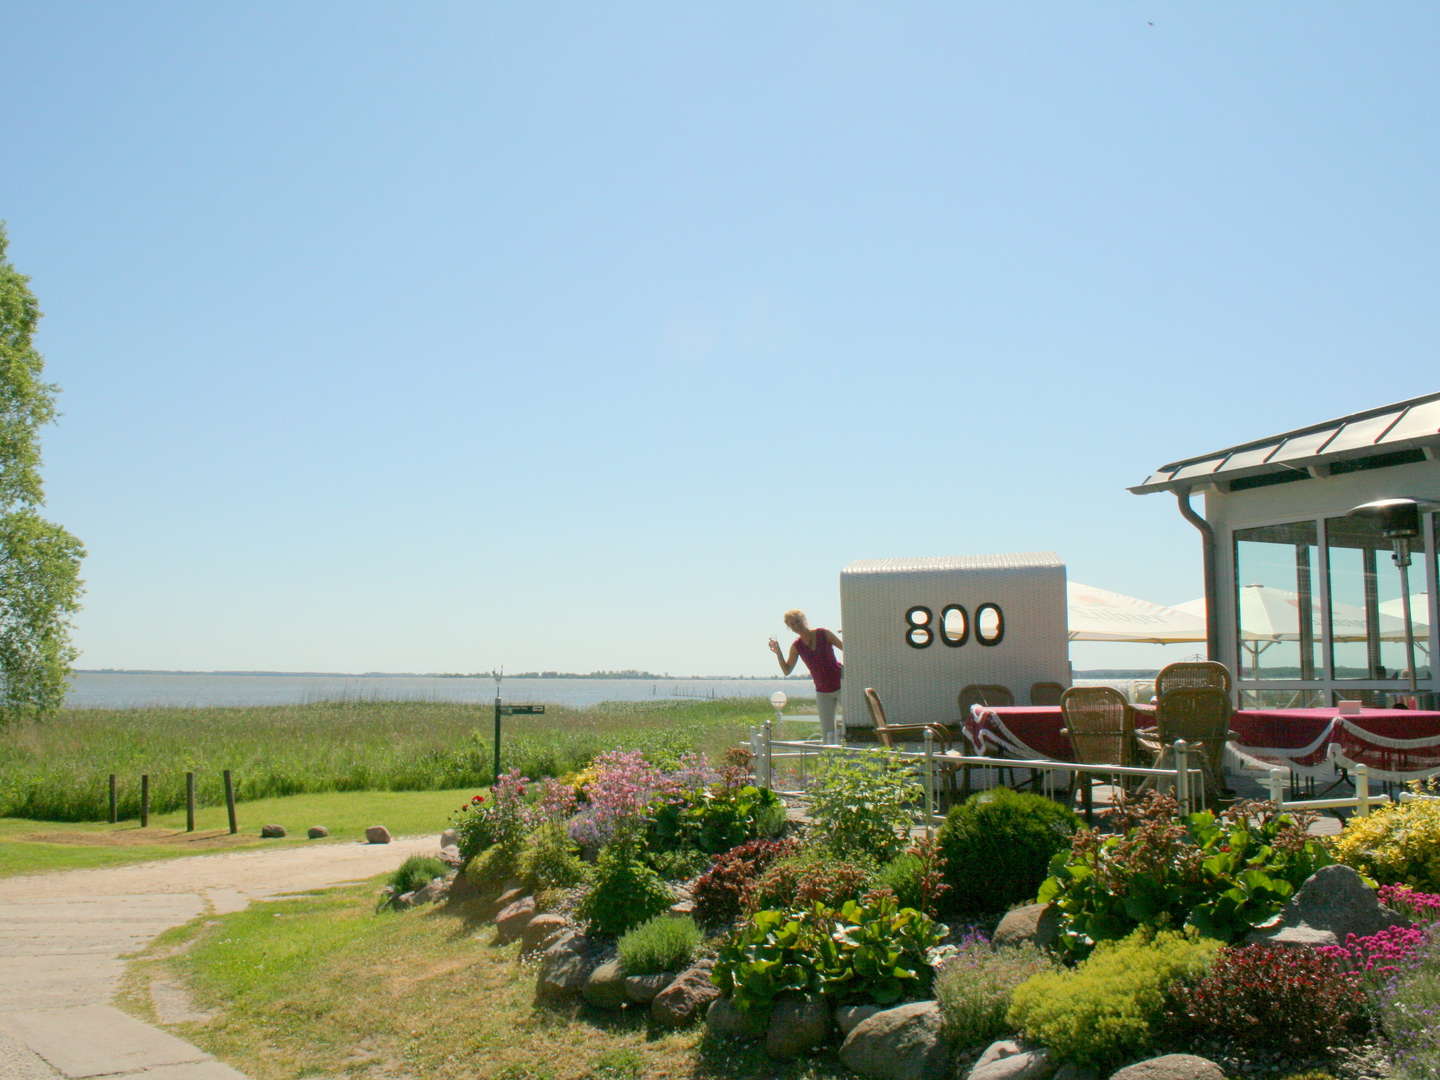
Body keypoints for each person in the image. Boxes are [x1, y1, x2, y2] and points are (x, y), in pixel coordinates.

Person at [768, 609, 843, 744]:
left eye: (797, 622)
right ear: (789, 627)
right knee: (827, 732)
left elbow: (846, 648)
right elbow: (787, 670)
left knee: (852, 722)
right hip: (822, 691)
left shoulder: (823, 633)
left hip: (841, 685)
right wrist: (778, 652)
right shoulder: (796, 646)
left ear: (803, 620)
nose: (796, 626)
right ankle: (830, 760)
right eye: (792, 624)